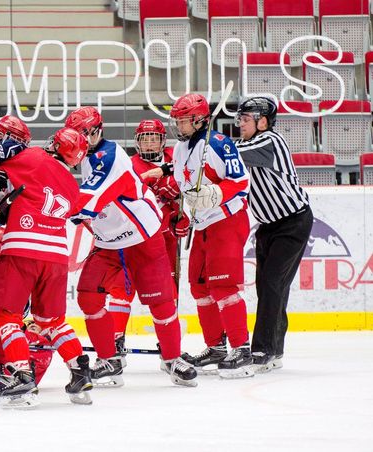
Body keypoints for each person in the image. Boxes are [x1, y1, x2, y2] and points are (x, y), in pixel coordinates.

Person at [66, 107, 197, 387]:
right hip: (109, 242)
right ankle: (108, 359)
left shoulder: (110, 157)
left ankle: (172, 358)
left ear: (98, 131)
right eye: (76, 134)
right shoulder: (83, 157)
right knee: (88, 296)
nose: (80, 139)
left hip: (142, 239)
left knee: (161, 303)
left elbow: (87, 201)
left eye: (85, 134)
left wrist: (50, 208)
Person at [0, 124, 95, 407]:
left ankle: (21, 374)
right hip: (57, 255)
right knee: (51, 320)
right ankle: (79, 368)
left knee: (6, 316)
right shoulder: (72, 184)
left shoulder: (33, 157)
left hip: (23, 247)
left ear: (54, 145)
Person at [168, 94, 254, 378]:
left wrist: (217, 192)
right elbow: (185, 187)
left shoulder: (218, 143)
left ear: (199, 119)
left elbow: (240, 180)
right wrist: (182, 216)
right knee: (199, 286)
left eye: (183, 120)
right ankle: (216, 346)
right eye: (177, 120)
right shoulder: (181, 149)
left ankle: (241, 347)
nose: (179, 125)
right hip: (202, 224)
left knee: (224, 286)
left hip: (226, 220)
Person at [235, 97, 313, 373]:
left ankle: (263, 349)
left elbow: (231, 157)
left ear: (263, 122)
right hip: (267, 227)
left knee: (272, 284)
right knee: (268, 287)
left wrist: (209, 147)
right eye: (240, 119)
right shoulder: (244, 144)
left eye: (246, 119)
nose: (240, 124)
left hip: (293, 223)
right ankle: (275, 349)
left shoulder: (271, 142)